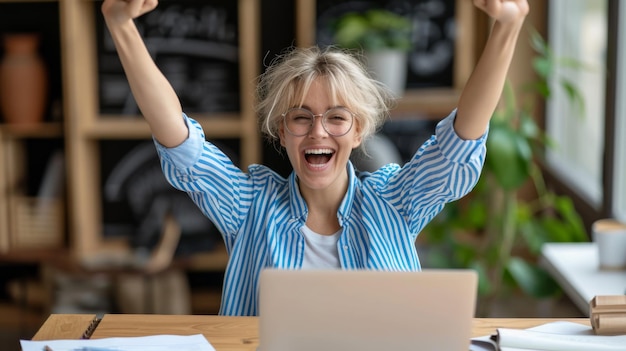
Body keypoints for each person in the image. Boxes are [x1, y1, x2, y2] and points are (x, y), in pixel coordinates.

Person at [101, 0, 529, 316]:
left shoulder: (395, 200)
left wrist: (507, 27)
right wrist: (120, 25)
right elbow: (180, 142)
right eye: (301, 118)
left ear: (359, 131)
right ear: (281, 131)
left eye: (337, 118)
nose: (318, 131)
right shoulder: (250, 204)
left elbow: (458, 144)